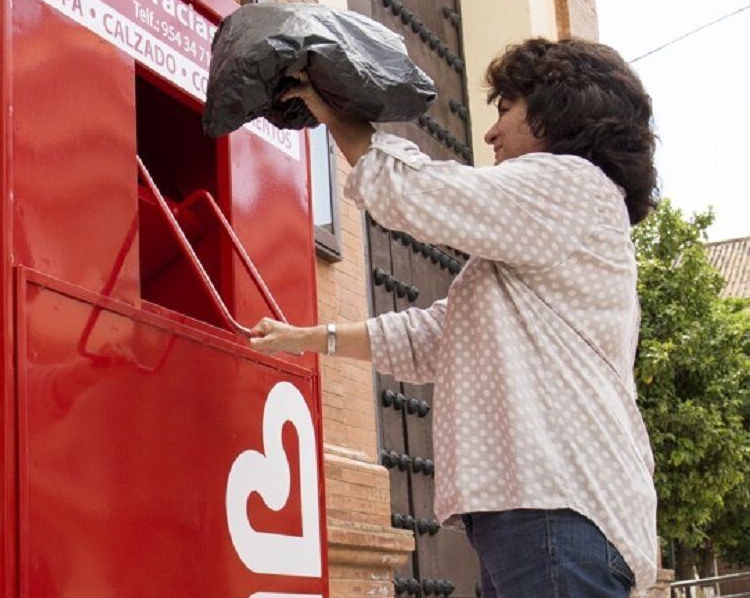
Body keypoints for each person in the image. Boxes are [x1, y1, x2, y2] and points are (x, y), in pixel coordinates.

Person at [249, 37, 659, 598]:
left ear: (557, 109)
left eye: (506, 109)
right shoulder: (551, 232)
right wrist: (310, 337)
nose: (490, 132)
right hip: (540, 514)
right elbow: (435, 338)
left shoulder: (573, 186)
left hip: (556, 507)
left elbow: (418, 191)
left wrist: (339, 112)